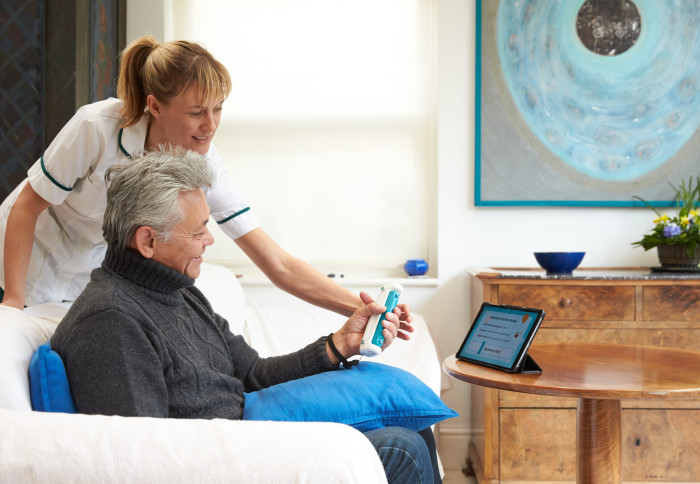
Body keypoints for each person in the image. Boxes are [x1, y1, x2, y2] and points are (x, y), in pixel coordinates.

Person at [50, 148, 440, 483]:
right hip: (232, 464)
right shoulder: (111, 322)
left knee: (416, 429)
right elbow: (143, 460)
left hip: (248, 441)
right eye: (199, 229)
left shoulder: (179, 292)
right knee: (401, 448)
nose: (210, 239)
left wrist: (339, 345)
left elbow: (252, 374)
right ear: (148, 241)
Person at [0, 35, 412, 339]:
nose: (210, 124)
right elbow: (28, 206)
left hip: (79, 277)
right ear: (154, 106)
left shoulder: (203, 165)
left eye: (218, 109)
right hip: (16, 256)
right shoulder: (97, 127)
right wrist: (13, 301)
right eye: (197, 112)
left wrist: (363, 308)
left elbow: (278, 264)